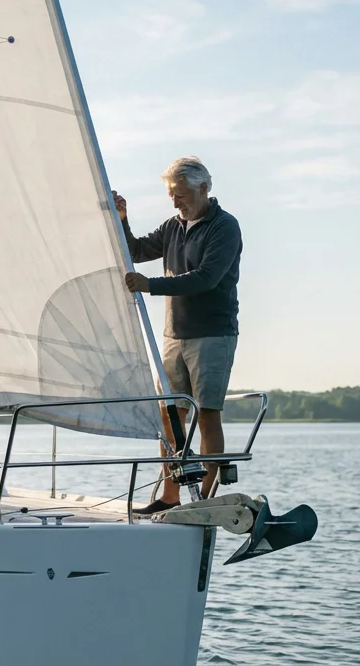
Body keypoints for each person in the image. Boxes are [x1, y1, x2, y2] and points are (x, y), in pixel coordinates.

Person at [114, 156, 242, 514]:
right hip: (174, 335)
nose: (176, 202)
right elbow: (137, 251)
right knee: (170, 417)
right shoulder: (173, 226)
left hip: (213, 334)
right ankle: (169, 496)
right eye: (172, 195)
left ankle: (207, 498)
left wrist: (149, 285)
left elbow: (206, 278)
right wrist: (122, 220)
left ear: (203, 188)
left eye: (181, 194)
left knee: (208, 415)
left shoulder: (225, 227)